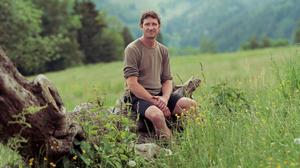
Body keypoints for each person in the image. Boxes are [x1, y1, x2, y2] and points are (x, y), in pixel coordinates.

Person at [123, 11, 196, 139]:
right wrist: (155, 102)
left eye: (154, 24)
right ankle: (171, 149)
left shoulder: (163, 50)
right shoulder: (132, 49)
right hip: (138, 97)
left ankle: (195, 139)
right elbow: (132, 84)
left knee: (191, 105)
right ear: (141, 26)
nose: (151, 27)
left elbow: (167, 80)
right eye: (147, 24)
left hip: (160, 96)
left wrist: (165, 99)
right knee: (157, 116)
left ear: (159, 27)